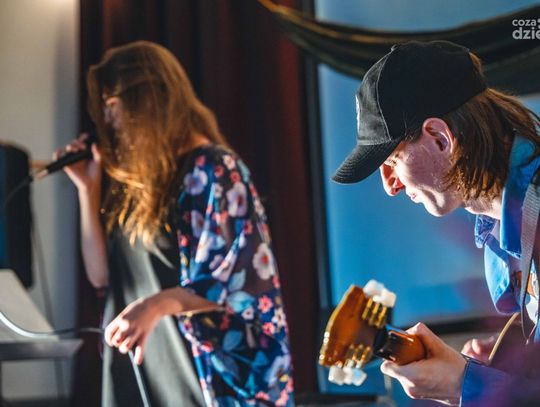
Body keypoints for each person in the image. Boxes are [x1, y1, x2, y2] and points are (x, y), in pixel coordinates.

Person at [56, 41, 294, 406]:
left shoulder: (215, 169)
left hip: (197, 374)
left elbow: (231, 280)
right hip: (143, 369)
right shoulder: (140, 181)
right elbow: (102, 276)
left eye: (112, 106)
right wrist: (87, 191)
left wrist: (155, 305)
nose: (108, 121)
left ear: (147, 100)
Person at [332, 40, 540, 406]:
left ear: (441, 139)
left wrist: (464, 386)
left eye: (393, 161)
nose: (390, 187)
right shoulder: (502, 223)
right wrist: (514, 363)